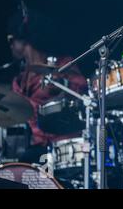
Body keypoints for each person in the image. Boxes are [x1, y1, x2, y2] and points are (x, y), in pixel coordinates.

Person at [7, 9, 87, 163]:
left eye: (10, 40)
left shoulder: (62, 65)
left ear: (22, 40)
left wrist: (63, 85)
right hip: (39, 148)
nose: (9, 46)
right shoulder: (19, 81)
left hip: (67, 145)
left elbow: (83, 89)